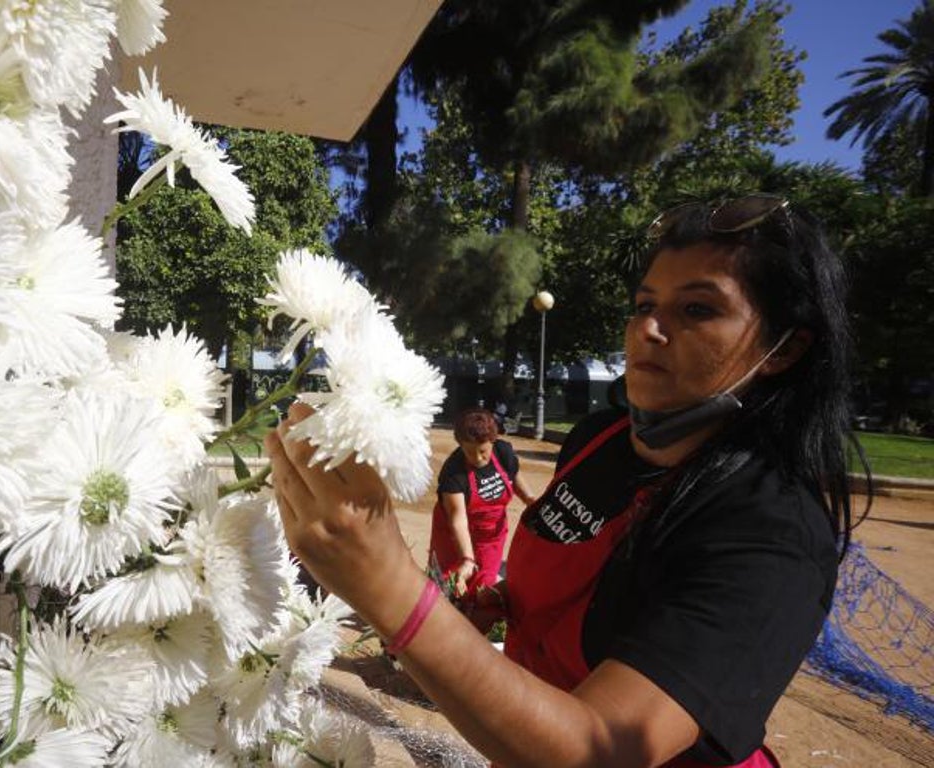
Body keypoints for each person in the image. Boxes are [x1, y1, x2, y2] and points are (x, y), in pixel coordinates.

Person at [265, 194, 868, 767]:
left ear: (785, 349)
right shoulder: (599, 440)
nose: (649, 329)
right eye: (644, 305)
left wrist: (391, 588)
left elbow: (597, 751)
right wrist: (498, 614)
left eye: (697, 309)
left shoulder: (771, 533)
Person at [429, 408, 536, 600]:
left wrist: (530, 500)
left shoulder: (503, 453)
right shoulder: (453, 473)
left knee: (483, 589)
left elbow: (515, 477)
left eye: (483, 451)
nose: (477, 458)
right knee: (447, 587)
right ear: (460, 445)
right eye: (469, 452)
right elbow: (458, 519)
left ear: (492, 442)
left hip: (491, 536)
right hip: (453, 536)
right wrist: (467, 559)